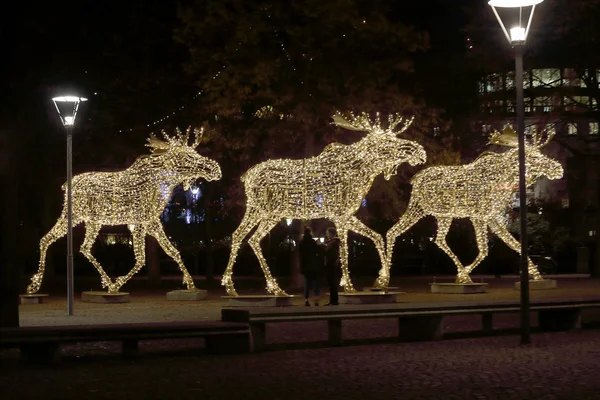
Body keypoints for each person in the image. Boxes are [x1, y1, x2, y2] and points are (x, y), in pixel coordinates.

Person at [299, 227, 321, 306]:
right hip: (313, 265)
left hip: (305, 266)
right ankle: (316, 299)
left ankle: (306, 300)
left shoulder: (302, 242)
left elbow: (300, 254)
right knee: (315, 282)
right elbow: (317, 251)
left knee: (307, 283)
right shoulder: (313, 242)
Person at [324, 227, 341, 306]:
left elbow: (330, 253)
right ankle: (332, 300)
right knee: (331, 283)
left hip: (331, 264)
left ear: (331, 233)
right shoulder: (332, 242)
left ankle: (334, 301)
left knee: (332, 283)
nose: (327, 235)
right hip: (331, 264)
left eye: (327, 233)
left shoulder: (333, 243)